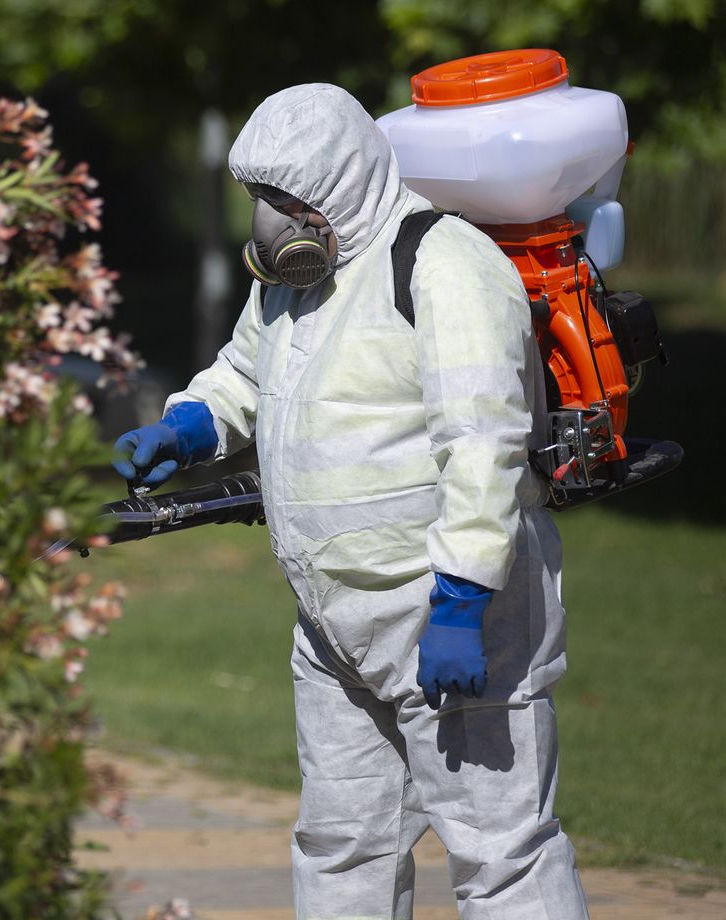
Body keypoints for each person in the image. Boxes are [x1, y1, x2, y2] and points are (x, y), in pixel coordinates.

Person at [112, 84, 589, 919]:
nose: (271, 221)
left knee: (501, 853)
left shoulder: (445, 262)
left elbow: (483, 441)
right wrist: (188, 426)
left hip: (449, 617)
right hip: (334, 626)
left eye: (287, 198)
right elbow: (248, 373)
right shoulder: (294, 284)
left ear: (341, 180)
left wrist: (461, 600)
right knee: (340, 848)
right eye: (260, 198)